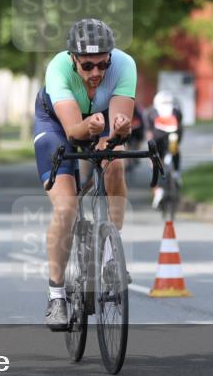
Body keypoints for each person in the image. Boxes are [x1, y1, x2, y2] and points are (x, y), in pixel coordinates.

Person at [33, 18, 136, 330]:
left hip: (100, 119)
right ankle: (56, 295)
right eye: (88, 65)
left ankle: (109, 255)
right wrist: (88, 128)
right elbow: (74, 131)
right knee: (66, 208)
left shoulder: (124, 65)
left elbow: (122, 126)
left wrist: (119, 129)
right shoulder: (58, 68)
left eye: (102, 64)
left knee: (116, 163)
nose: (96, 73)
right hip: (57, 125)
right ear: (73, 59)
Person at [144, 90, 183, 208]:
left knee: (154, 160)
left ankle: (158, 190)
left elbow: (149, 132)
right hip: (173, 137)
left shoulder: (151, 112)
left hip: (157, 139)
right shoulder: (176, 110)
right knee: (175, 150)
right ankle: (176, 173)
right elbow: (180, 126)